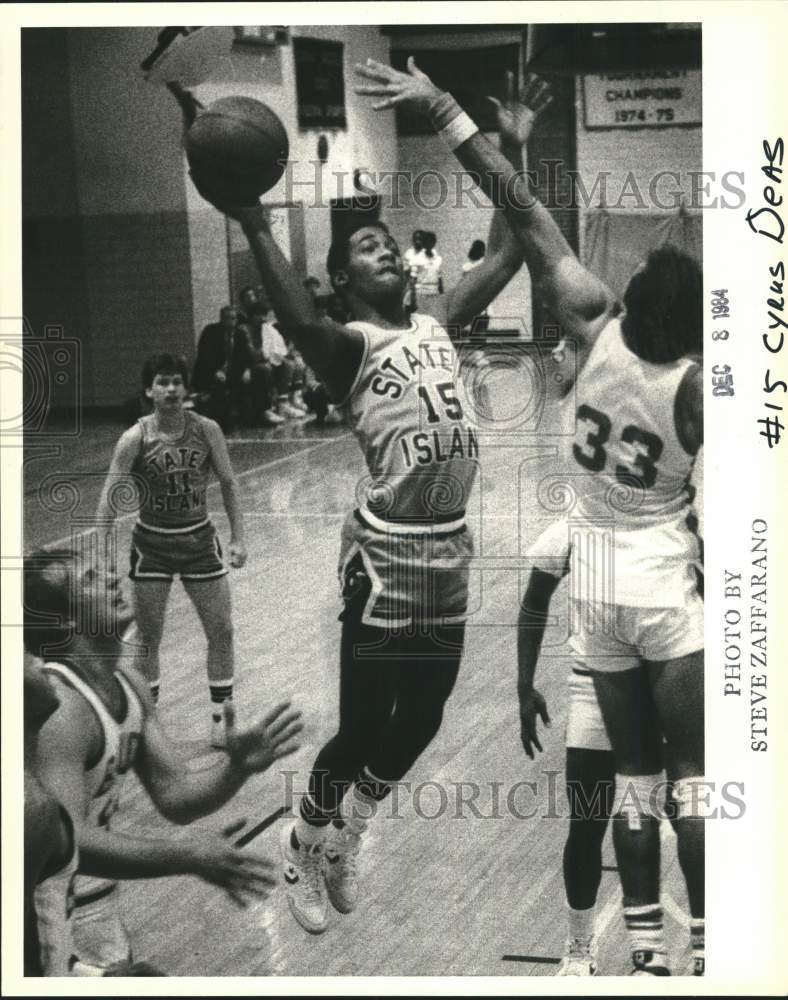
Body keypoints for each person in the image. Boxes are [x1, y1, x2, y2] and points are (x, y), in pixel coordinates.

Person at [354, 57, 704, 975]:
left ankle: (643, 952)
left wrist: (448, 112)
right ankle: (698, 947)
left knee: (627, 793)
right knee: (690, 789)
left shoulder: (590, 316)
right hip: (667, 587)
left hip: (602, 594)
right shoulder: (703, 391)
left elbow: (523, 215)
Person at [185, 76, 551, 936]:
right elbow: (293, 313)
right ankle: (305, 839)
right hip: (384, 559)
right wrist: (251, 221)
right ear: (343, 280)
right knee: (361, 729)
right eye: (369, 250)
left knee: (422, 722)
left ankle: (348, 829)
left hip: (451, 552)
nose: (386, 252)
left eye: (391, 246)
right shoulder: (347, 347)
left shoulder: (436, 321)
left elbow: (511, 249)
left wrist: (519, 144)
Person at [24, 546, 302, 975]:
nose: (113, 578)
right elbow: (67, 840)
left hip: (95, 902)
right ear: (66, 622)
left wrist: (236, 769)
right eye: (90, 580)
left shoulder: (129, 683)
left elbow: (176, 796)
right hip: (48, 909)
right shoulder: (64, 711)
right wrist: (187, 856)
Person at [96, 352, 247, 749]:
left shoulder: (207, 429)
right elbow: (109, 496)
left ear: (186, 388)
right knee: (148, 638)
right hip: (153, 545)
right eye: (162, 382)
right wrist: (101, 552)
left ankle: (221, 717)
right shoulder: (136, 437)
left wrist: (238, 537)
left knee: (223, 630)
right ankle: (148, 724)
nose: (171, 389)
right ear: (149, 391)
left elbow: (229, 484)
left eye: (177, 381)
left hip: (199, 541)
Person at [413, 230, 443, 318]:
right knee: (421, 318)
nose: (429, 244)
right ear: (424, 243)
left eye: (432, 242)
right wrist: (413, 298)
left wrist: (441, 295)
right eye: (427, 242)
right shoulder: (417, 258)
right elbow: (413, 279)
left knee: (433, 318)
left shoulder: (438, 259)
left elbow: (440, 278)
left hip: (434, 293)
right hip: (421, 293)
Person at [402, 229, 425, 313]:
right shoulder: (409, 253)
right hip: (410, 287)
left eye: (420, 239)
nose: (417, 241)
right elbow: (405, 272)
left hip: (423, 289)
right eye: (415, 239)